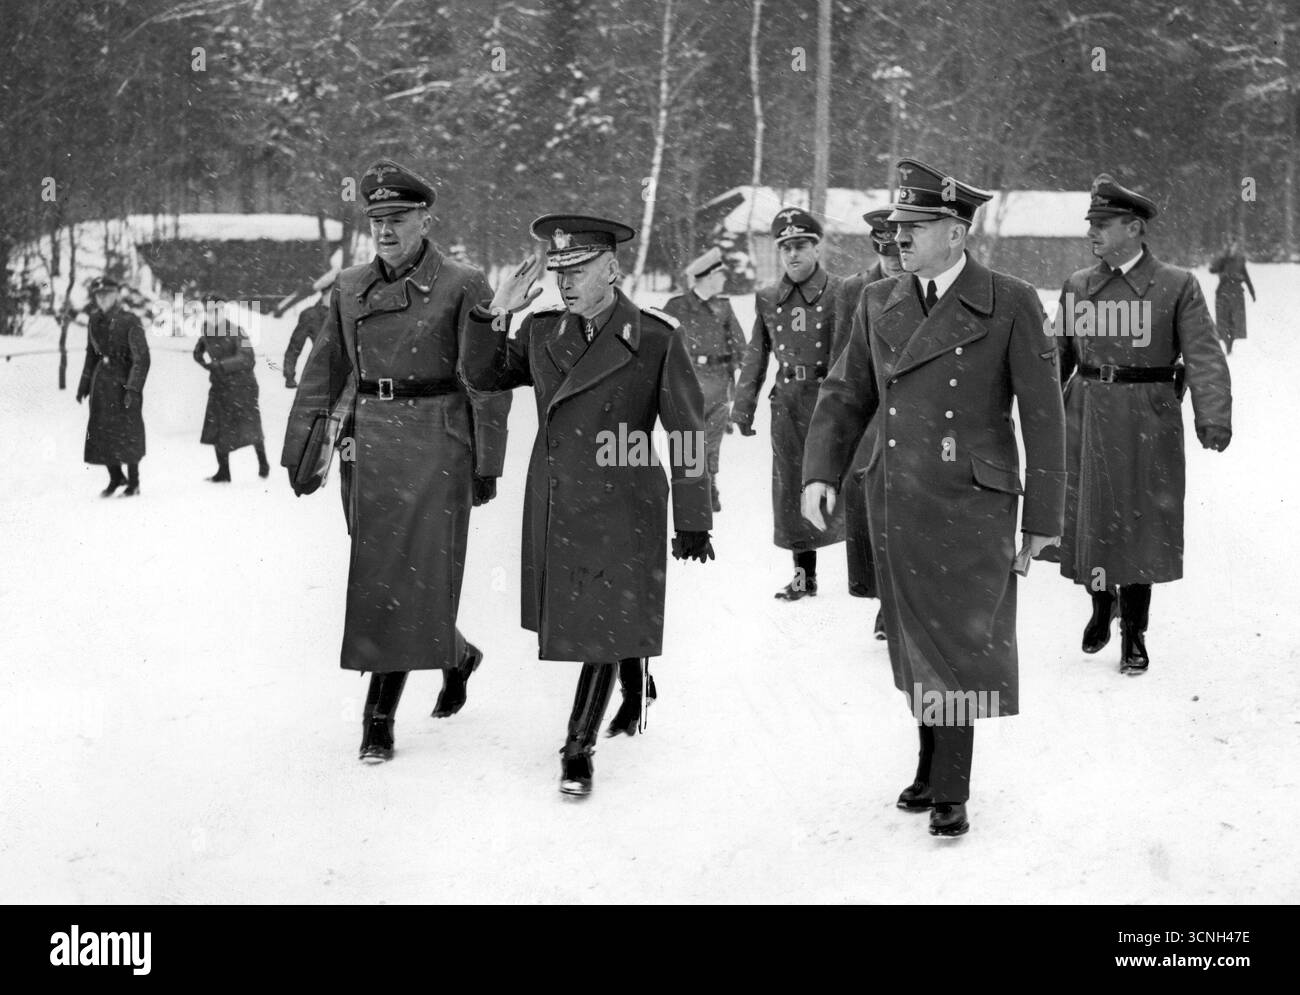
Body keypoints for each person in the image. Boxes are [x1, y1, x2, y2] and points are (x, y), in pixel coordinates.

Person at [802, 158, 1067, 838]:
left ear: (955, 231)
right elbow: (844, 393)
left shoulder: (1009, 300)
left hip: (973, 501)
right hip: (896, 496)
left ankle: (952, 785)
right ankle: (929, 764)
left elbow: (1043, 414)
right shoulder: (878, 300)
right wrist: (820, 473)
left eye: (914, 227)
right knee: (916, 634)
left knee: (959, 641)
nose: (899, 238)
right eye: (896, 227)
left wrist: (1042, 519)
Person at [461, 214, 714, 797]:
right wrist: (495, 313)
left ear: (612, 268)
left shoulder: (654, 337)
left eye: (577, 269)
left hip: (624, 503)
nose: (564, 282)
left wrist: (694, 518)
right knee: (598, 615)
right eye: (558, 270)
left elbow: (688, 434)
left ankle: (578, 747)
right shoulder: (543, 330)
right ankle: (634, 687)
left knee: (599, 623)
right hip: (556, 499)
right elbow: (481, 376)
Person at [281, 158, 511, 763]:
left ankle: (378, 716)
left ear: (425, 219)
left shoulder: (464, 283)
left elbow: (487, 381)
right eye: (377, 218)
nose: (385, 229)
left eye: (398, 218)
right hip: (370, 441)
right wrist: (304, 447)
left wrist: (488, 461)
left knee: (410, 576)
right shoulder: (351, 286)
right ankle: (457, 656)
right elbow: (326, 371)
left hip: (438, 440)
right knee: (385, 573)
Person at [1049, 174, 1232, 674]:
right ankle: (1100, 605)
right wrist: (1040, 414)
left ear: (1134, 228)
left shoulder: (1176, 285)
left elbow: (1204, 357)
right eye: (1091, 224)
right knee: (1091, 518)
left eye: (1103, 224)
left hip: (1146, 419)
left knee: (1140, 525)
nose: (1093, 233)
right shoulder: (1079, 286)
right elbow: (1054, 357)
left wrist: (1212, 415)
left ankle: (1134, 631)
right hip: (1085, 416)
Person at [732, 209, 847, 600]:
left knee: (848, 485)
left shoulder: (840, 292)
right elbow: (755, 355)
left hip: (830, 399)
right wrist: (742, 407)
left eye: (800, 246)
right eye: (785, 248)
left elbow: (850, 353)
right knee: (790, 490)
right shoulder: (767, 298)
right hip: (787, 404)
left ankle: (871, 582)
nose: (793, 255)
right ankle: (803, 578)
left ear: (817, 247)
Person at [834, 209, 907, 638]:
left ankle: (903, 600)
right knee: (866, 502)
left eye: (899, 250)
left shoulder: (920, 286)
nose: (895, 260)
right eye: (886, 252)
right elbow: (841, 358)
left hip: (907, 407)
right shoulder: (854, 290)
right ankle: (881, 598)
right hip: (869, 409)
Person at [662, 247, 745, 512]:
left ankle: (709, 485)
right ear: (707, 277)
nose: (723, 280)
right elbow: (659, 344)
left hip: (719, 386)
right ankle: (692, 489)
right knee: (690, 441)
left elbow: (741, 347)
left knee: (712, 441)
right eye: (720, 275)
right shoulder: (676, 307)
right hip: (688, 384)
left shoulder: (723, 306)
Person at [76, 276, 150, 497]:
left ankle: (134, 483)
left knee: (128, 431)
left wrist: (133, 388)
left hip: (123, 382)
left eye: (107, 294)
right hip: (102, 384)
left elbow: (142, 359)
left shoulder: (130, 320)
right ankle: (116, 477)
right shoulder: (94, 319)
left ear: (117, 294)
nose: (102, 299)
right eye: (99, 295)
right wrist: (84, 384)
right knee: (102, 432)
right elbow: (91, 354)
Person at [193, 297, 270, 481]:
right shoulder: (207, 331)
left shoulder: (238, 331)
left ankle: (263, 463)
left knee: (249, 427)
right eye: (210, 311)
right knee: (218, 427)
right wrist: (199, 358)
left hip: (242, 386)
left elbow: (248, 357)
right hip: (220, 385)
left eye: (217, 310)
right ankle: (224, 471)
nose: (213, 314)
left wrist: (220, 365)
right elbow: (200, 349)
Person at [1208, 238, 1255, 355]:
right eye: (1229, 246)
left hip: (1236, 293)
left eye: (1234, 246)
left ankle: (1230, 346)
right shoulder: (1222, 260)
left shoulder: (1240, 260)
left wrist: (1252, 292)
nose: (1232, 249)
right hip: (1223, 293)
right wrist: (1222, 259)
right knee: (1224, 321)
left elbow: (1246, 276)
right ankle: (1227, 344)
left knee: (1234, 321)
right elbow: (1212, 270)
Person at [284, 286, 330, 388]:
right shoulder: (310, 316)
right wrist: (289, 375)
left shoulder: (347, 313)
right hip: (321, 372)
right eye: (332, 293)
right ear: (324, 294)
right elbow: (294, 347)